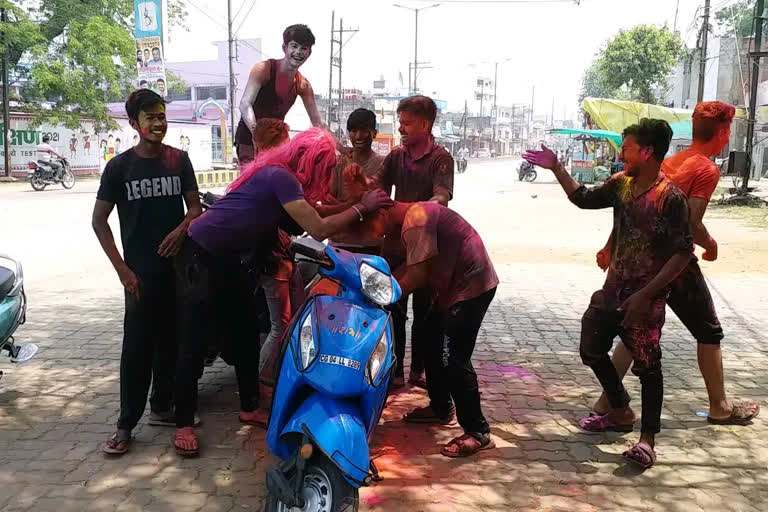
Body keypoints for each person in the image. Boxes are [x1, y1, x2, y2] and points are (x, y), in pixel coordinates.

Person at [172, 128, 392, 456]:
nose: (327, 174)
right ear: (312, 162)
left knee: (246, 334)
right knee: (194, 338)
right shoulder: (280, 177)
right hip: (200, 254)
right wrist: (361, 207)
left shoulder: (283, 179)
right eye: (326, 167)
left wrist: (354, 202)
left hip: (232, 258)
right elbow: (318, 228)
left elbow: (314, 212)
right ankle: (183, 423)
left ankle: (249, 406)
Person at [523, 119, 694, 469]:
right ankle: (620, 409)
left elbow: (682, 253)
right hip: (612, 290)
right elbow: (584, 199)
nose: (621, 153)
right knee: (590, 349)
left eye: (627, 147)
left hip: (644, 299)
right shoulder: (622, 184)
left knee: (649, 368)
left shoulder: (670, 197)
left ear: (646, 152)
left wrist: (647, 295)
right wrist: (556, 167)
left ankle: (647, 441)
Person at [591, 102, 759, 425]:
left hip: (643, 261)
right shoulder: (706, 170)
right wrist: (710, 245)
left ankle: (605, 403)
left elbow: (632, 207)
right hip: (675, 265)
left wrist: (610, 246)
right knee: (709, 330)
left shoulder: (668, 162)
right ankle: (720, 407)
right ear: (723, 133)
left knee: (633, 327)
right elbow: (691, 224)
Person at [92, 89, 202, 455]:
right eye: (150, 118)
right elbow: (99, 223)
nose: (158, 123)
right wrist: (122, 270)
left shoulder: (178, 161)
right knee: (136, 349)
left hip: (177, 271)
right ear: (135, 124)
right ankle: (126, 424)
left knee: (176, 344)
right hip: (138, 276)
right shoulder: (120, 168)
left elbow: (195, 209)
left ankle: (167, 408)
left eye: (161, 116)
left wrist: (181, 229)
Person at [371, 95, 454, 389]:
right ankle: (394, 370)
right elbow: (377, 188)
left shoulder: (441, 158)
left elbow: (441, 196)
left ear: (424, 124)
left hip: (427, 249)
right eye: (400, 123)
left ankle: (419, 368)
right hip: (394, 247)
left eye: (406, 124)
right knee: (393, 309)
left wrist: (422, 209)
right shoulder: (396, 156)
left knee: (425, 313)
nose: (401, 129)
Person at [235, 24, 324, 164]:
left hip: (277, 139)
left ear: (309, 53)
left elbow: (318, 123)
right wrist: (257, 133)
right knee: (253, 180)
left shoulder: (303, 85)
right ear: (285, 48)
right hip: (250, 136)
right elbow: (245, 104)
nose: (298, 52)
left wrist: (342, 149)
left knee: (283, 178)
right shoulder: (264, 69)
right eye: (294, 46)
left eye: (304, 48)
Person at [330, 108, 385, 201]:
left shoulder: (383, 163)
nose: (358, 136)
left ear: (374, 133)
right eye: (354, 131)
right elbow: (329, 198)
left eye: (364, 131)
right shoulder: (338, 163)